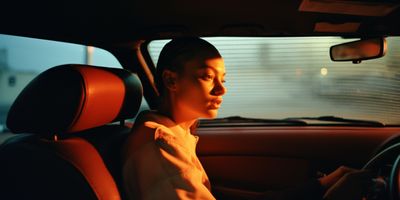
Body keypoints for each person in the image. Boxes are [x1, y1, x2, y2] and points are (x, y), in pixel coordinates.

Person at [121, 37, 372, 200]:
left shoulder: (175, 133)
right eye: (207, 77)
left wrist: (320, 186)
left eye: (224, 79)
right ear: (170, 80)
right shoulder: (161, 147)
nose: (222, 89)